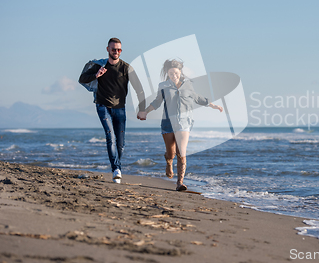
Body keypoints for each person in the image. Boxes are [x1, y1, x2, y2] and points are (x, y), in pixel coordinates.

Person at [137, 59, 223, 191]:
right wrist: (145, 112)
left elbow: (197, 98)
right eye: (171, 73)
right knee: (171, 153)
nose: (174, 76)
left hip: (184, 123)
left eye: (176, 73)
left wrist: (213, 105)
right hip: (167, 123)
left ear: (180, 72)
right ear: (167, 73)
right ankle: (168, 162)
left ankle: (179, 183)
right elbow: (157, 102)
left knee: (181, 152)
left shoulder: (188, 85)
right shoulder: (163, 86)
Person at [79, 38, 146, 184]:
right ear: (108, 49)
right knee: (111, 137)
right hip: (102, 106)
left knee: (120, 144)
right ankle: (116, 169)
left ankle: (117, 167)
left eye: (119, 50)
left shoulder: (127, 68)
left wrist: (142, 110)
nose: (116, 52)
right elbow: (82, 78)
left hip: (120, 108)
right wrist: (96, 75)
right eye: (114, 49)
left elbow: (139, 90)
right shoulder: (100, 65)